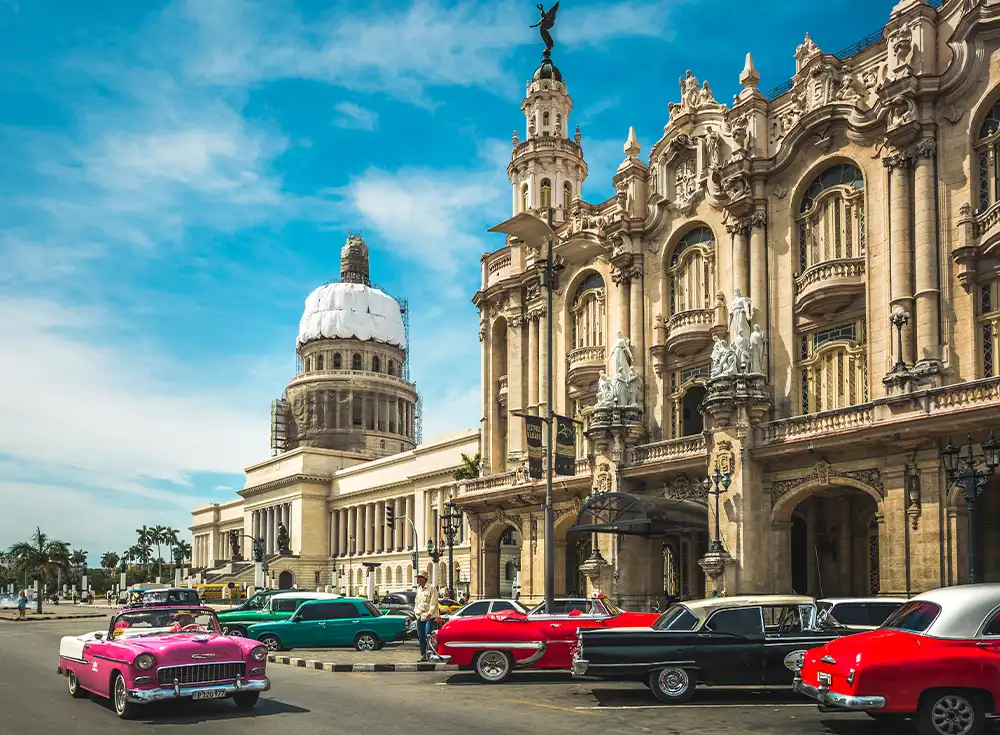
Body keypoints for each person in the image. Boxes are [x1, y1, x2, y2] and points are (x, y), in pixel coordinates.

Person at [412, 571, 440, 662]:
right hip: (419, 615)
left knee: (427, 635)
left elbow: (434, 602)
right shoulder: (419, 589)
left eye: (420, 577)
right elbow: (417, 602)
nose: (418, 579)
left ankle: (430, 654)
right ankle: (423, 655)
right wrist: (415, 612)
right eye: (418, 577)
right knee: (421, 636)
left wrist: (430, 613)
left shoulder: (431, 588)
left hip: (428, 616)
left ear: (425, 578)